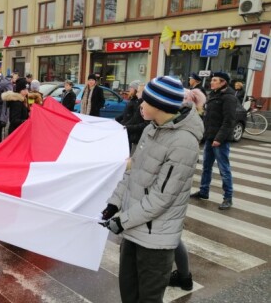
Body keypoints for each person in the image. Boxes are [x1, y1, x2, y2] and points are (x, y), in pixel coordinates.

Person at [100, 76, 203, 303]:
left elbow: (161, 198)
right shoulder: (151, 129)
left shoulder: (183, 143)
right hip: (133, 230)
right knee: (129, 293)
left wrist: (122, 221)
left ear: (159, 105)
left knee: (148, 298)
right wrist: (114, 203)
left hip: (155, 240)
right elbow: (133, 172)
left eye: (144, 101)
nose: (140, 105)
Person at [191, 71, 237, 210]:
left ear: (223, 82)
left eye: (215, 80)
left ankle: (228, 198)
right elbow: (208, 118)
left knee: (224, 169)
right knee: (206, 167)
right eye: (212, 80)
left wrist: (218, 139)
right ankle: (204, 191)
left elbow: (229, 121)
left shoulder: (228, 98)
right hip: (210, 137)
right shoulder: (213, 95)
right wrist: (204, 136)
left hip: (219, 140)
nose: (211, 82)